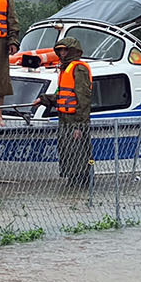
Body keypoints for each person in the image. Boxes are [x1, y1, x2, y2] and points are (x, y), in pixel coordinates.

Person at [34, 37, 92, 186]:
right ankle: (73, 182)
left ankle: (82, 183)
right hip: (64, 119)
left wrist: (79, 126)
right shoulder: (64, 69)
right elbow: (62, 96)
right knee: (67, 151)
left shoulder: (78, 69)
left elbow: (83, 99)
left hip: (75, 119)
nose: (61, 53)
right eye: (59, 50)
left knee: (78, 152)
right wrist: (44, 99)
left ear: (72, 50)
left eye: (64, 49)